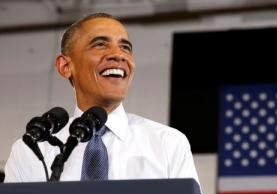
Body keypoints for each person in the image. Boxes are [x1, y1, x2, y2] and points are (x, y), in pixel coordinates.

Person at [4, 13, 199, 183]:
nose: (118, 55)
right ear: (65, 66)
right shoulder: (31, 150)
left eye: (125, 47)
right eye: (100, 44)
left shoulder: (168, 144)